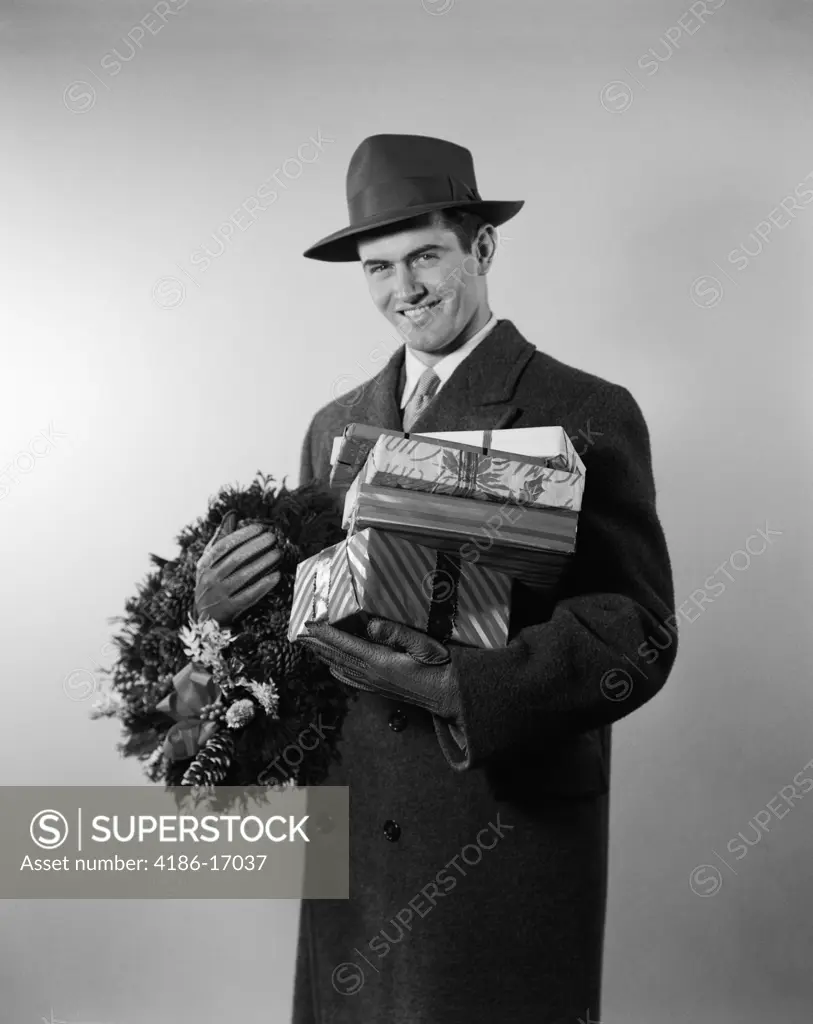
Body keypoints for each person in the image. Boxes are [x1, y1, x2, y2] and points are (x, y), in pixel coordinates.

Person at [195, 134, 678, 1024]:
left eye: (425, 257)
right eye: (377, 268)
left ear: (482, 249)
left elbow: (634, 630)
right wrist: (220, 620)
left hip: (498, 823)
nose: (402, 290)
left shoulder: (588, 410)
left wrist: (456, 686)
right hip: (358, 824)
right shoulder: (332, 424)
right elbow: (312, 615)